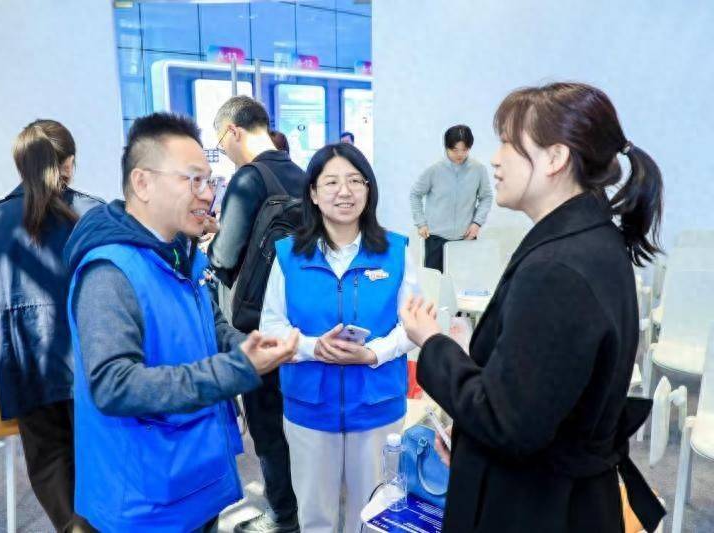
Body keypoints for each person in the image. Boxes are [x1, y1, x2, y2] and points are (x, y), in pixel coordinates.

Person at [401, 82, 666, 533]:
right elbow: (539, 397)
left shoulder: (558, 269)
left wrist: (433, 343)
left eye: (508, 142)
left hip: (538, 507)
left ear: (555, 158)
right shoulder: (591, 240)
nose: (495, 158)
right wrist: (469, 440)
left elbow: (507, 423)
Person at [63, 112, 299, 532]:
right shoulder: (110, 272)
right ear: (142, 183)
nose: (207, 195)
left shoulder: (181, 254)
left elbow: (211, 326)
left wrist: (247, 345)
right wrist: (236, 368)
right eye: (193, 180)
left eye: (209, 181)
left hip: (193, 473)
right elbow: (114, 385)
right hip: (146, 497)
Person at [261, 143, 418, 533]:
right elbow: (271, 328)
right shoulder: (288, 256)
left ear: (368, 189)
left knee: (373, 514)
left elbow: (413, 327)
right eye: (331, 182)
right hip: (309, 408)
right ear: (313, 193)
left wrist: (373, 353)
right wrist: (314, 347)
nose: (344, 192)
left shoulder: (396, 252)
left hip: (377, 406)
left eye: (354, 181)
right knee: (316, 516)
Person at [0, 119, 102, 532]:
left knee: (47, 459)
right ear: (69, 163)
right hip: (91, 360)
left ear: (20, 165)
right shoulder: (93, 214)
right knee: (99, 455)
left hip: (25, 365)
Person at [209, 95, 307, 533]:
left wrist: (212, 242)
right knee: (296, 420)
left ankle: (284, 516)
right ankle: (305, 504)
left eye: (220, 142)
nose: (224, 151)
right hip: (300, 317)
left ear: (233, 131)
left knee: (266, 424)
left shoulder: (248, 178)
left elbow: (225, 256)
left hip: (257, 322)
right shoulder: (302, 175)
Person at [409, 124, 493, 272]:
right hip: (436, 238)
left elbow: (486, 197)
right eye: (455, 150)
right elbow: (415, 194)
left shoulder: (478, 169)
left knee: (464, 280)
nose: (460, 154)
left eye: (464, 150)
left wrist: (477, 223)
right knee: (435, 281)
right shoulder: (434, 170)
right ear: (446, 147)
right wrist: (421, 223)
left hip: (466, 237)